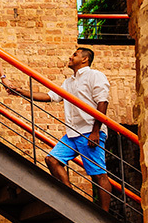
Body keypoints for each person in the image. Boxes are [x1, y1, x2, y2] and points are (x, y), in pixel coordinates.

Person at [9, 47, 114, 211]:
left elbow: (102, 102)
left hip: (90, 131)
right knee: (52, 160)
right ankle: (72, 200)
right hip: (72, 133)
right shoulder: (69, 82)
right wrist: (20, 92)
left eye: (75, 54)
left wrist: (95, 131)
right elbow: (49, 96)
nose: (70, 57)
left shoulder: (95, 76)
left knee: (99, 174)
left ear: (85, 59)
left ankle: (105, 215)